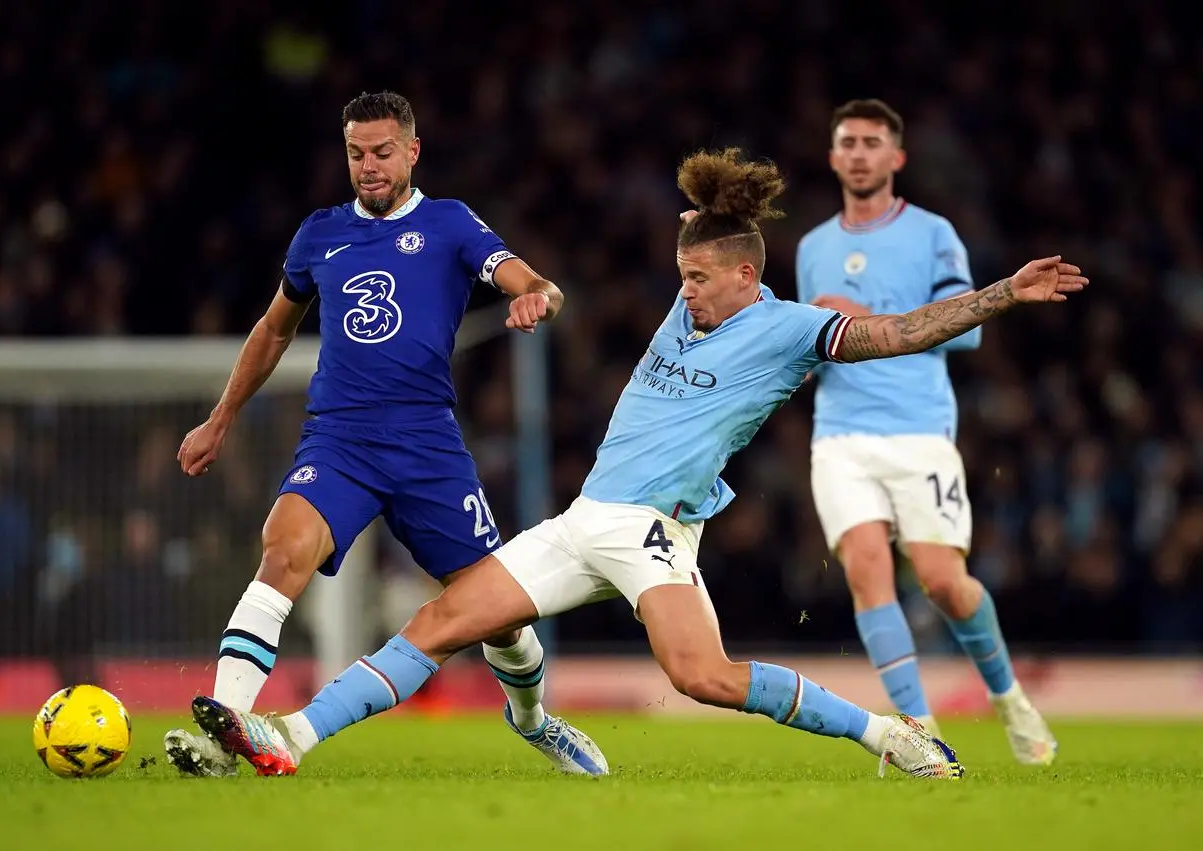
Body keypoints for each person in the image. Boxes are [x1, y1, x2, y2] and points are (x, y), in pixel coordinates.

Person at [186, 148, 1086, 779]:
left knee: (701, 677)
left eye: (697, 279)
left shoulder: (790, 329)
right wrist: (711, 196)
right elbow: (704, 213)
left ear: (743, 276)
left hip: (655, 532)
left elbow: (896, 332)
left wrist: (1003, 292)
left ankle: (888, 735)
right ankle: (292, 736)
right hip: (585, 520)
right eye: (680, 275)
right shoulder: (692, 298)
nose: (681, 292)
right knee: (442, 618)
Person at [162, 91, 607, 777]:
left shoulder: (449, 224)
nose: (368, 166)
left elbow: (537, 282)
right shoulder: (319, 233)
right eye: (355, 153)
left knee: (500, 616)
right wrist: (220, 417)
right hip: (338, 440)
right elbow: (274, 327)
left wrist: (534, 297)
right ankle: (226, 742)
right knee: (282, 552)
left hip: (427, 447)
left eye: (381, 152)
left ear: (411, 151)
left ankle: (535, 721)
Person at [795, 99, 1056, 764]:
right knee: (863, 566)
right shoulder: (810, 246)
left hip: (917, 429)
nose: (857, 152)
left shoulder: (934, 233)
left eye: (870, 142)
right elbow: (812, 341)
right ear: (832, 157)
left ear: (895, 158)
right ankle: (918, 732)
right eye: (847, 142)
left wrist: (867, 315)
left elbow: (966, 326)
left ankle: (1008, 697)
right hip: (839, 432)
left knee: (943, 582)